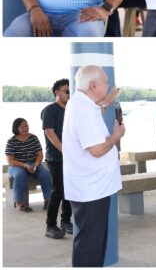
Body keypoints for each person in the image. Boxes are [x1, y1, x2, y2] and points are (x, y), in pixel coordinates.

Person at [62, 65, 124, 267]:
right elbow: (97, 150)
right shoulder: (82, 109)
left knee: (94, 242)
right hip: (91, 191)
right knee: (90, 245)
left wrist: (108, 100)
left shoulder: (82, 103)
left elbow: (96, 109)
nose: (108, 84)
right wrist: (116, 135)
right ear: (93, 85)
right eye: (106, 82)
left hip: (93, 188)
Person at [41, 78, 72, 238]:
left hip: (71, 159)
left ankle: (65, 221)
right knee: (58, 191)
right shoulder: (50, 110)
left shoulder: (70, 110)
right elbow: (50, 133)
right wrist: (65, 151)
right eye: (66, 90)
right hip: (55, 159)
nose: (69, 93)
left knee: (70, 191)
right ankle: (50, 226)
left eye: (70, 90)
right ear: (57, 92)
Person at [5, 118, 53, 214]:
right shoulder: (11, 141)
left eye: (26, 126)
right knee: (20, 175)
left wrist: (36, 164)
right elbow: (10, 161)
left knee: (45, 173)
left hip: (33, 162)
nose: (25, 128)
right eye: (22, 127)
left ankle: (48, 200)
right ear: (16, 128)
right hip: (16, 165)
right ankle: (19, 203)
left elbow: (40, 154)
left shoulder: (33, 138)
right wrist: (25, 165)